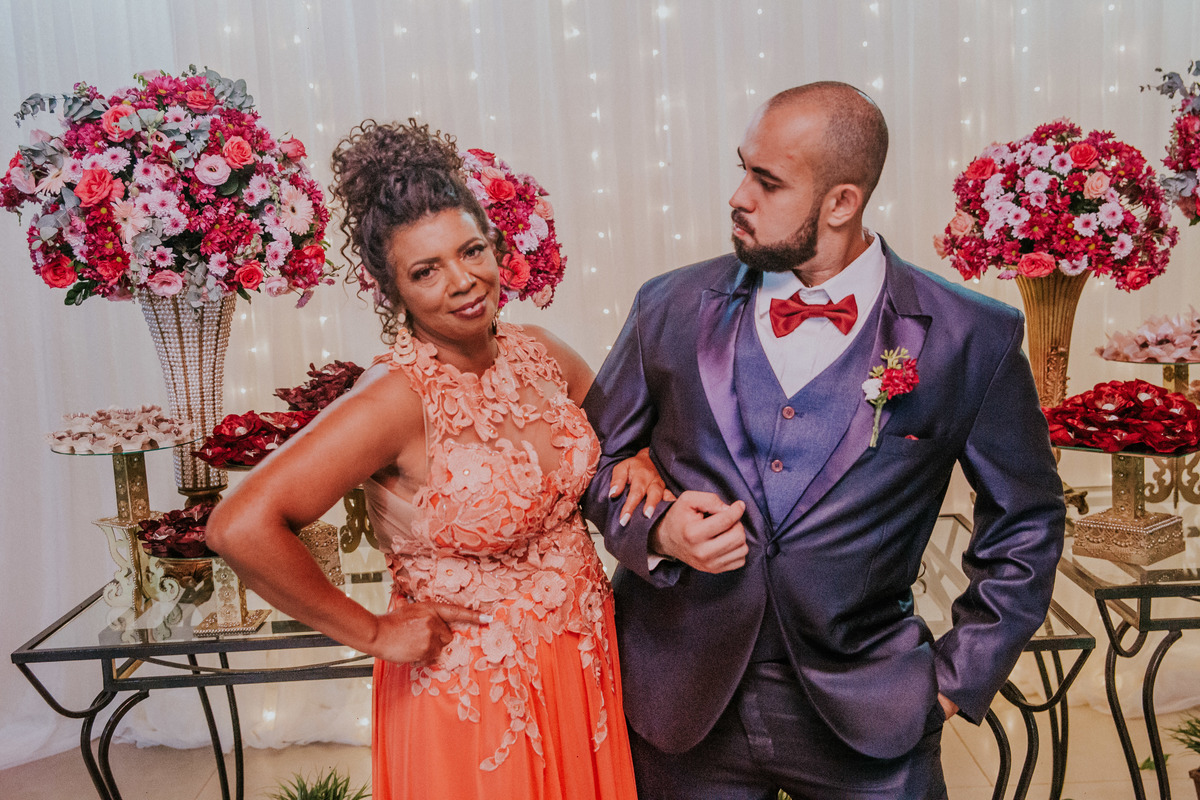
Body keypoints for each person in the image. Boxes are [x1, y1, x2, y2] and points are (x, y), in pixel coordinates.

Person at [581, 82, 1066, 799]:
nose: (738, 195)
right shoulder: (669, 305)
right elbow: (586, 461)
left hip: (872, 707)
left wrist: (957, 677)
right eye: (742, 168)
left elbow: (1026, 519)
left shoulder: (970, 336)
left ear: (842, 202)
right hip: (679, 706)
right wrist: (657, 530)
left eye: (767, 181)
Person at [207, 119, 661, 799]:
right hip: (472, 689)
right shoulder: (395, 398)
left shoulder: (540, 352)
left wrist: (643, 459)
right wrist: (373, 632)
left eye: (471, 250)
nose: (464, 281)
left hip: (581, 663)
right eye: (426, 270)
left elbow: (621, 436)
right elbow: (238, 525)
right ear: (391, 291)